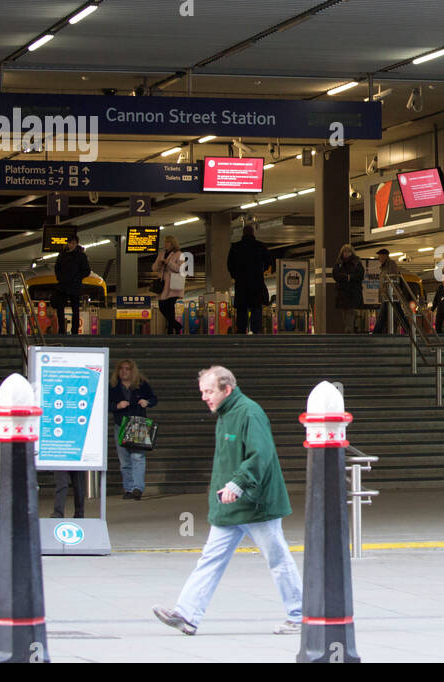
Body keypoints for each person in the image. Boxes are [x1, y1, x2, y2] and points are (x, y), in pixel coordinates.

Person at [153, 366, 303, 636]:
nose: (204, 397)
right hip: (231, 503)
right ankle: (186, 614)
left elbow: (261, 454)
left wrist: (238, 484)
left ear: (227, 389)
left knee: (277, 558)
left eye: (209, 391)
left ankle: (299, 615)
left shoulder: (249, 412)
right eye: (202, 391)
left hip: (257, 505)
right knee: (211, 558)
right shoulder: (226, 413)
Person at [109, 359, 157, 500]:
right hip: (120, 424)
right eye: (122, 368)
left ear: (132, 370)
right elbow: (106, 404)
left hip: (137, 423)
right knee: (124, 460)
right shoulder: (113, 386)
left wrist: (147, 402)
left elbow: (154, 399)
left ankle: (137, 488)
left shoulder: (141, 385)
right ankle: (129, 488)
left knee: (138, 457)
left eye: (127, 368)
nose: (124, 371)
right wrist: (117, 406)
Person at [226, 224, 272, 334]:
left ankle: (242, 330)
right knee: (256, 307)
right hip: (257, 283)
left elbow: (229, 264)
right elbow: (268, 262)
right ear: (253, 233)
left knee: (242, 308)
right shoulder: (260, 246)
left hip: (241, 284)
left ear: (243, 233)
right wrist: (260, 271)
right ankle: (256, 330)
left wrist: (236, 275)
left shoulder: (236, 247)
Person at [53, 234, 90, 335]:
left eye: (73, 243)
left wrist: (76, 278)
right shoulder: (62, 255)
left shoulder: (81, 256)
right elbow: (57, 268)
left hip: (74, 286)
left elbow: (86, 271)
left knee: (75, 309)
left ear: (76, 244)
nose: (71, 245)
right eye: (69, 243)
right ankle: (61, 330)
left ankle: (74, 331)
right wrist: (60, 278)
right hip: (63, 286)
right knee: (60, 308)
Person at [371, 249, 409, 335]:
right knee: (394, 315)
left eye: (380, 256)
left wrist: (389, 291)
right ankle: (409, 330)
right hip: (386, 296)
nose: (379, 258)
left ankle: (376, 333)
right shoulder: (383, 267)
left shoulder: (391, 264)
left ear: (385, 256)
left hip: (392, 295)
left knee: (391, 315)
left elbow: (393, 278)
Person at [332, 243, 365, 333]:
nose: (346, 254)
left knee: (350, 311)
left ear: (352, 252)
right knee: (345, 313)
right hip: (343, 293)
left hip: (353, 293)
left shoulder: (356, 263)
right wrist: (348, 277)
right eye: (345, 252)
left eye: (348, 252)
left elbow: (360, 275)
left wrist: (346, 277)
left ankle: (349, 330)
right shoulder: (339, 263)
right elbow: (335, 275)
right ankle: (350, 329)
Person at [154, 235, 184, 335]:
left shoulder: (179, 254)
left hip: (173, 285)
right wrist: (159, 263)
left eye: (168, 242)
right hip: (163, 285)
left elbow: (180, 269)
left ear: (172, 244)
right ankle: (176, 325)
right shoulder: (161, 253)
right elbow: (154, 268)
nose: (165, 244)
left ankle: (171, 330)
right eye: (165, 242)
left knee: (170, 307)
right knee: (162, 306)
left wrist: (169, 263)